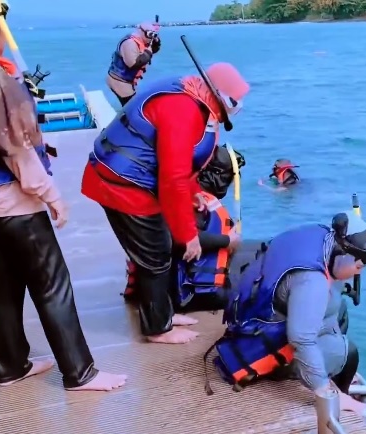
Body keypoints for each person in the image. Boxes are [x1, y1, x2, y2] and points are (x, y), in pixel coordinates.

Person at [0, 0, 125, 391]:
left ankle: (11, 366)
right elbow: (16, 149)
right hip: (8, 201)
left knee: (1, 284)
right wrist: (51, 195)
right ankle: (80, 372)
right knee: (52, 283)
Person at [81, 62, 250, 345]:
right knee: (156, 256)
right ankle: (158, 328)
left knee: (163, 247)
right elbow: (172, 178)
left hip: (135, 179)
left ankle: (165, 313)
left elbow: (177, 162)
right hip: (123, 185)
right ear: (220, 95)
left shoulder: (191, 93)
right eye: (235, 102)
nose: (237, 108)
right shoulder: (183, 110)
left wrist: (193, 191)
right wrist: (189, 235)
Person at [211, 210, 366, 416]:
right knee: (348, 352)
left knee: (337, 309)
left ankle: (330, 370)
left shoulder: (319, 235)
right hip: (263, 352)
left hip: (249, 324)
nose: (359, 272)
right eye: (359, 266)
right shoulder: (312, 282)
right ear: (343, 255)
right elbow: (301, 340)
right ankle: (340, 395)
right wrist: (325, 392)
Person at [122, 144, 245, 313]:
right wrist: (227, 240)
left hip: (176, 287)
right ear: (217, 176)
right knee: (254, 292)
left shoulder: (182, 193)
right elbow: (178, 239)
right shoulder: (196, 204)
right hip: (190, 293)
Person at [106, 22, 161, 106]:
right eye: (149, 34)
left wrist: (155, 45)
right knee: (132, 106)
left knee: (135, 103)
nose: (150, 38)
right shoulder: (130, 43)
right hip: (119, 81)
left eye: (153, 35)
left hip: (127, 81)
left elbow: (149, 51)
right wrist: (148, 52)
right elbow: (133, 64)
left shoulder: (142, 41)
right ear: (141, 31)